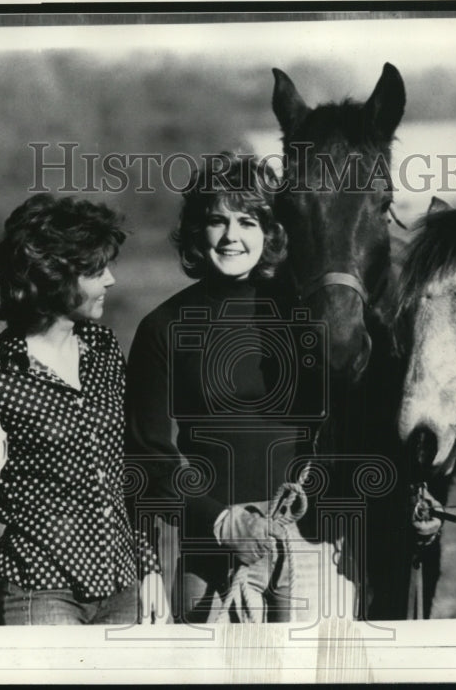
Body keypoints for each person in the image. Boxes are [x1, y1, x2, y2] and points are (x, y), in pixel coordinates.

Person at [125, 153, 328, 623]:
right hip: (209, 545)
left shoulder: (307, 318)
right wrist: (218, 520)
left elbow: (341, 424)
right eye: (217, 220)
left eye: (248, 221)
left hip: (299, 541)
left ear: (272, 232)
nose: (232, 236)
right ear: (198, 231)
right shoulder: (163, 326)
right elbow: (147, 453)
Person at [0, 194, 167, 625]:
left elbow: (127, 469)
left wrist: (150, 569)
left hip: (124, 585)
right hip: (40, 587)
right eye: (94, 270)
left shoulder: (104, 349)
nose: (110, 280)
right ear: (52, 275)